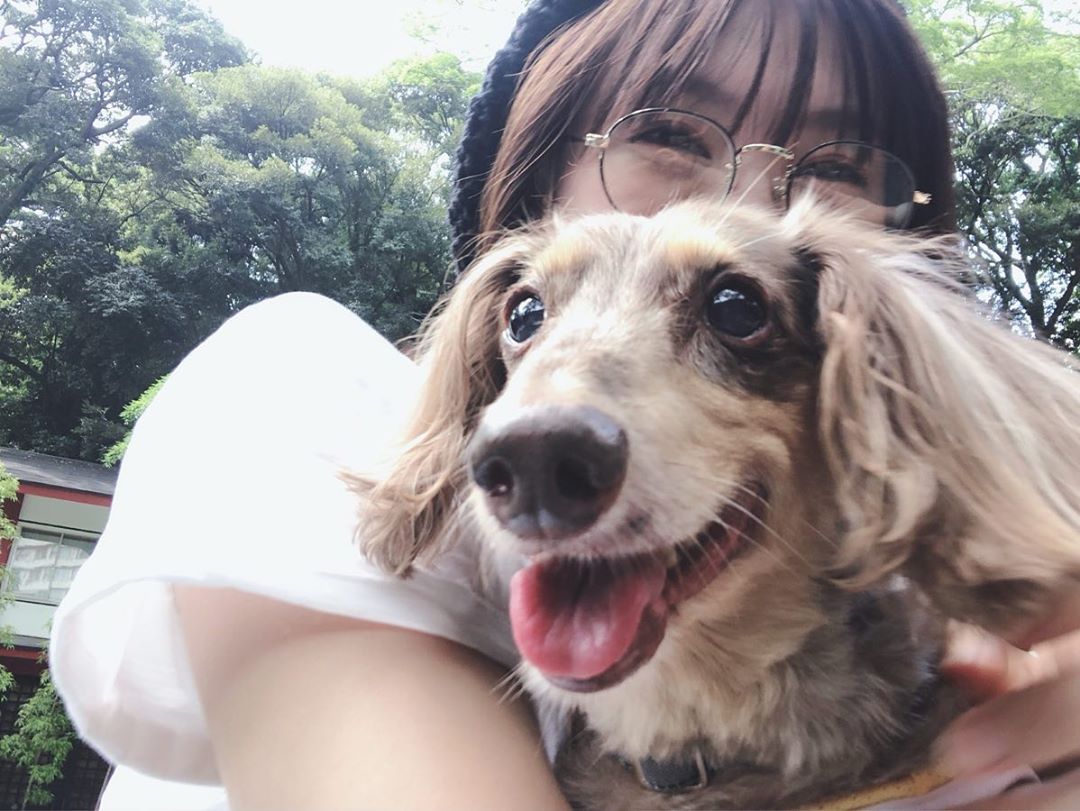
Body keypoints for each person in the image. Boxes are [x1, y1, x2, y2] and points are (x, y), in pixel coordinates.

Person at [49, 0, 1080, 808]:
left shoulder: (973, 654)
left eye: (835, 168)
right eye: (667, 133)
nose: (744, 200)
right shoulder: (302, 391)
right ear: (538, 178)